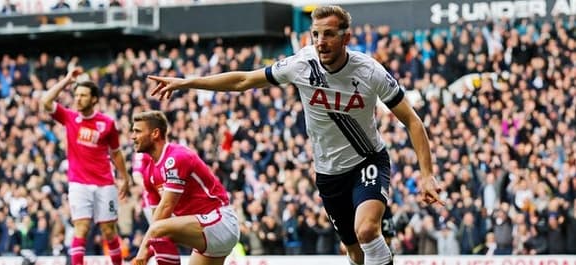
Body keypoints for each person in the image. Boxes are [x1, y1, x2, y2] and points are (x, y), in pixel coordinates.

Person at [147, 5, 444, 265]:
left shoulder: (369, 71)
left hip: (367, 160)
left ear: (346, 37)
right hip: (328, 174)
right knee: (354, 253)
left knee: (367, 230)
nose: (320, 42)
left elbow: (412, 121)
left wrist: (427, 174)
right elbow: (243, 80)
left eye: (328, 34)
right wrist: (186, 83)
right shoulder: (301, 64)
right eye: (316, 34)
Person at [41, 67, 130, 265]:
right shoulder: (70, 117)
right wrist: (66, 81)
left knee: (109, 231)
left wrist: (125, 178)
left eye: (83, 95)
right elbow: (45, 101)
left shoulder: (107, 123)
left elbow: (116, 153)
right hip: (79, 183)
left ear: (94, 99)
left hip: (105, 183)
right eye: (76, 95)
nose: (78, 99)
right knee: (81, 227)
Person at [131, 111, 240, 265]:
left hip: (220, 221)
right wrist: (146, 251)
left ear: (155, 133)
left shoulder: (176, 157)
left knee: (159, 230)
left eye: (138, 131)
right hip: (205, 229)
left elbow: (165, 210)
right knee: (158, 229)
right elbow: (157, 218)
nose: (132, 136)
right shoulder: (149, 173)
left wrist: (143, 249)